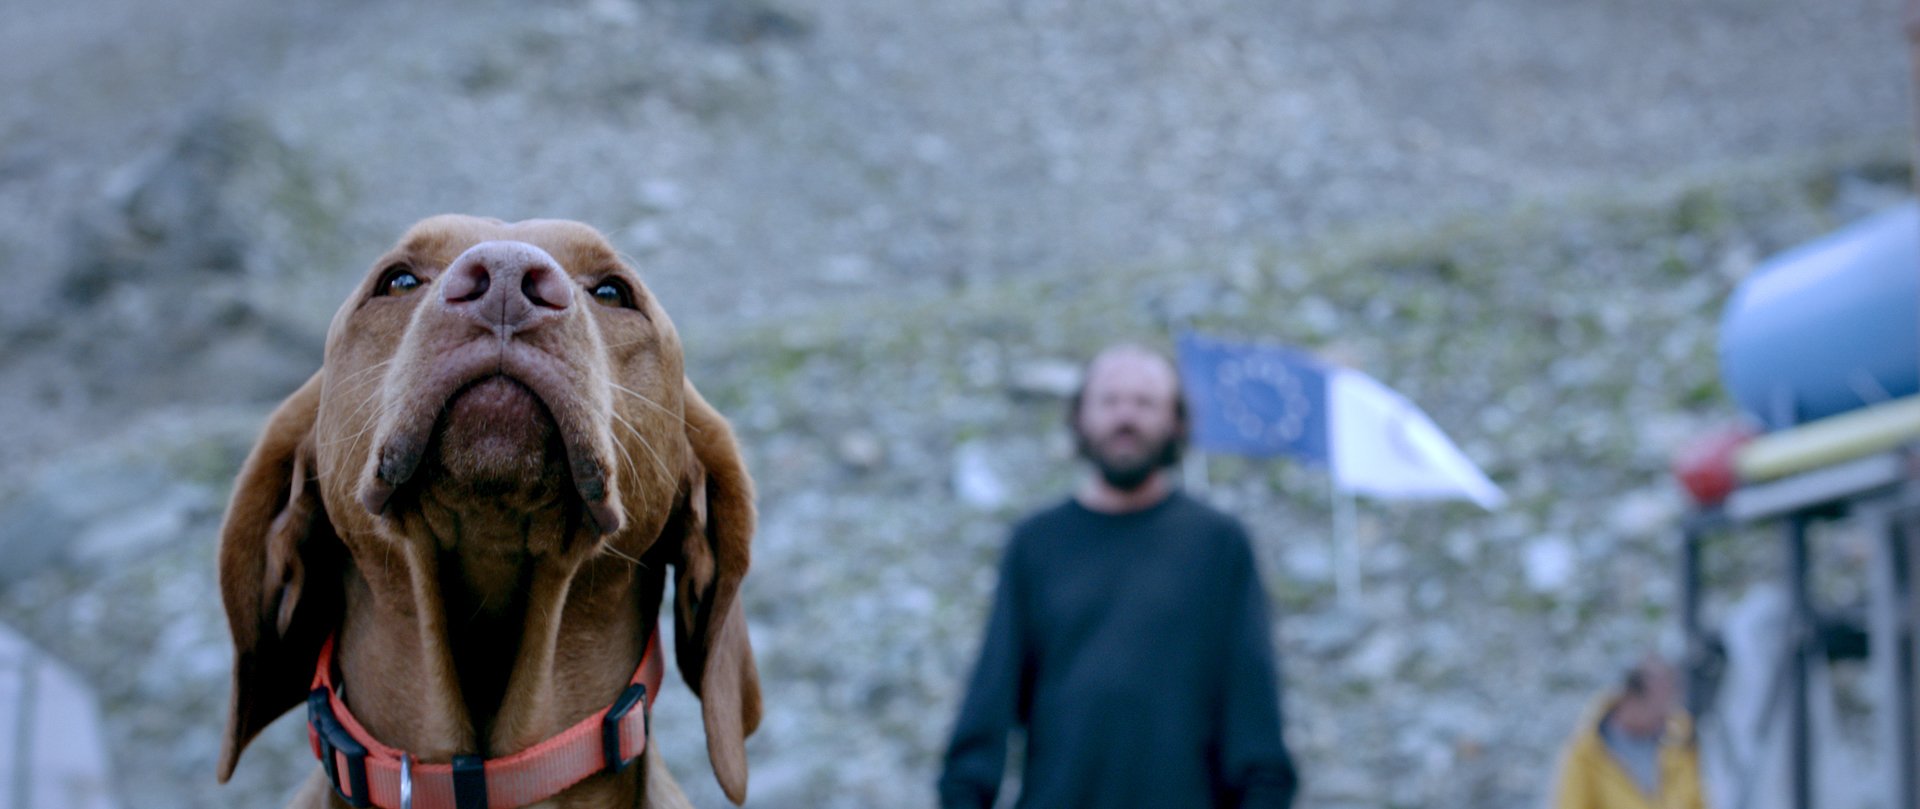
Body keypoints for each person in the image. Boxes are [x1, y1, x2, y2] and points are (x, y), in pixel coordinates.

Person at [938, 344, 1300, 809]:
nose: (1125, 417)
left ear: (1177, 421)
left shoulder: (1219, 545)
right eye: (1109, 401)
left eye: (1145, 402)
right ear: (1080, 418)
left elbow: (1252, 709)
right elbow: (991, 697)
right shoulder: (1037, 542)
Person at [1552, 655, 1706, 809]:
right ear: (1631, 699)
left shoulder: (1680, 740)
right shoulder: (1586, 755)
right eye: (1657, 710)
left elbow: (1698, 799)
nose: (1666, 718)